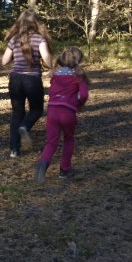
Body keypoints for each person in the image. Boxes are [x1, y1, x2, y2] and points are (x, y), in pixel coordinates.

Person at [34, 47, 89, 183]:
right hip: (68, 112)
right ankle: (65, 169)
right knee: (69, 139)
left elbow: (52, 91)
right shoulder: (79, 75)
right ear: (78, 61)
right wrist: (78, 105)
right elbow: (83, 95)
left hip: (52, 111)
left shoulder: (55, 74)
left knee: (51, 142)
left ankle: (42, 164)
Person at [1, 9, 52, 157]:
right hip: (32, 80)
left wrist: (15, 56)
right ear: (35, 22)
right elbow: (47, 59)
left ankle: (14, 149)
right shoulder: (39, 39)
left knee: (17, 113)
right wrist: (50, 64)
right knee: (36, 110)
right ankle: (24, 126)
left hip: (15, 79)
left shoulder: (14, 39)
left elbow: (4, 61)